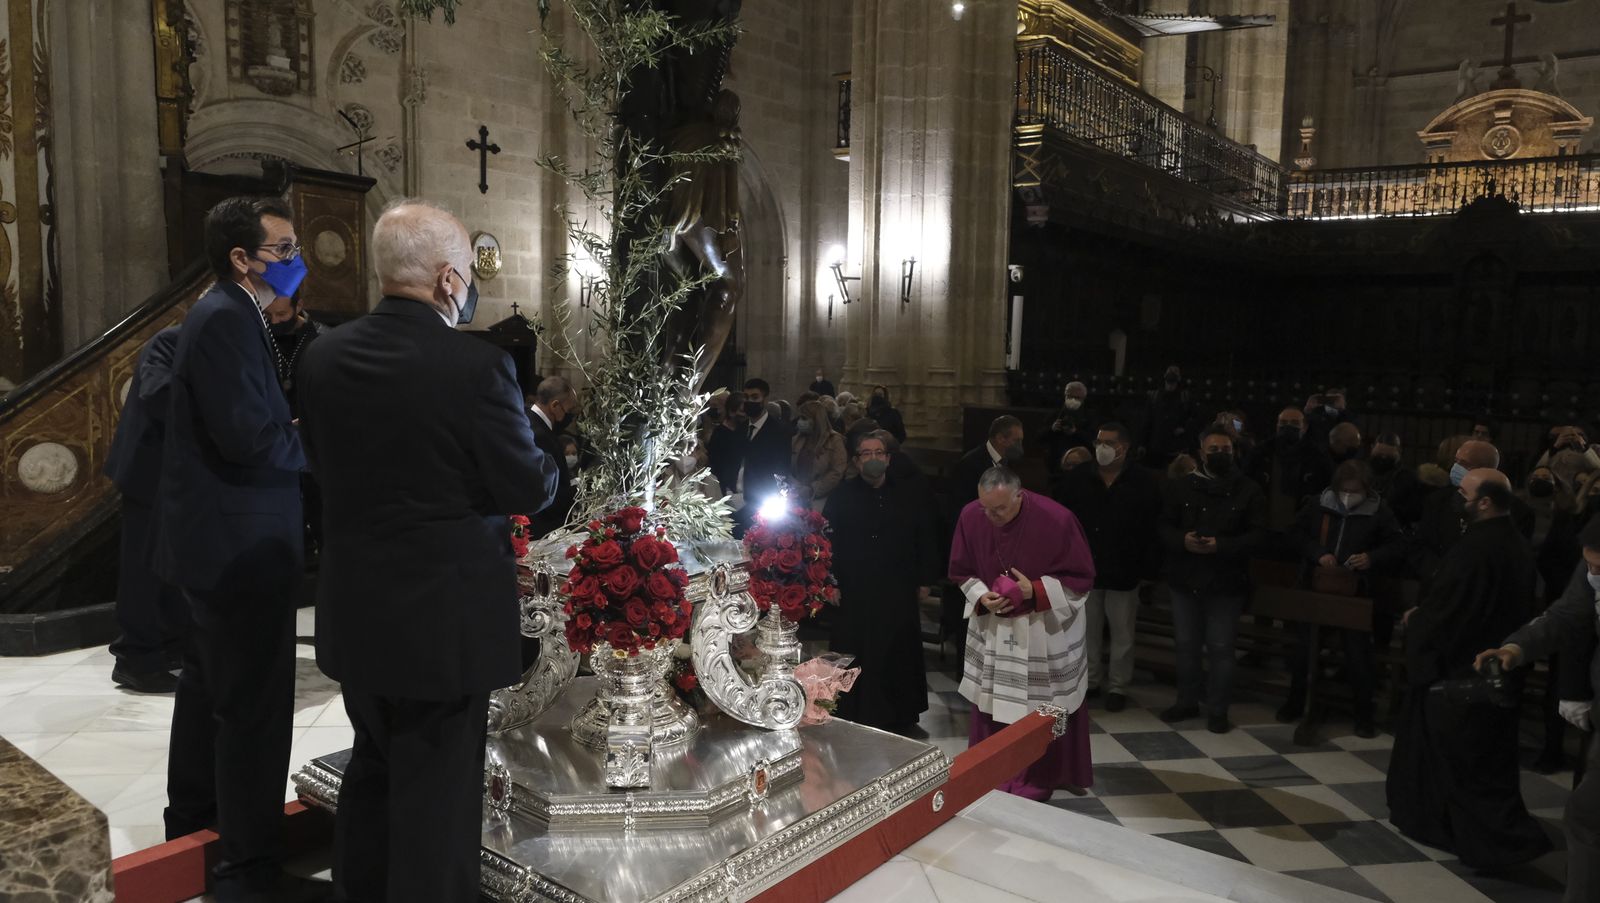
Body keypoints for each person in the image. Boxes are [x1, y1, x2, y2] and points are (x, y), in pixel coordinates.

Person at [297, 200, 560, 903]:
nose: (469, 284)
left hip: (357, 607)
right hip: (442, 623)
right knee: (438, 800)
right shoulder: (475, 367)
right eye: (469, 272)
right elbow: (522, 487)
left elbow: (320, 467)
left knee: (374, 769)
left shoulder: (321, 355)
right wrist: (545, 447)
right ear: (449, 279)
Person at [152, 197, 321, 902]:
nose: (293, 260)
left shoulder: (231, 313)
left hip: (219, 541)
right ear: (242, 259)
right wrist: (321, 440)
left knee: (208, 691)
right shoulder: (225, 317)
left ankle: (194, 821)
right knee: (252, 710)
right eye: (282, 249)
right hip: (240, 546)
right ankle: (248, 872)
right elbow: (250, 437)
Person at [1387, 468, 1549, 869]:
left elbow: (1453, 612)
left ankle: (1492, 844)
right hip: (1489, 669)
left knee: (1468, 765)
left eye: (1464, 493)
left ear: (1485, 502)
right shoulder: (1510, 541)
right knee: (1480, 761)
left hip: (1462, 672)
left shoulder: (1480, 548)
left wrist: (1418, 621)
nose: (1457, 500)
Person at [951, 466, 1096, 800]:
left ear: (1019, 495)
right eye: (985, 507)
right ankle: (993, 768)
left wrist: (1034, 590)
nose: (991, 516)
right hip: (994, 625)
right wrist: (979, 595)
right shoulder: (971, 515)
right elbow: (961, 571)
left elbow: (1080, 579)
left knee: (1043, 705)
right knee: (993, 704)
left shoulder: (1057, 520)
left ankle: (1045, 773)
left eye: (1000, 509)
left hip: (1042, 629)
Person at [1478, 518, 1600, 902]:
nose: (1593, 573)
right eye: (1590, 565)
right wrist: (1515, 649)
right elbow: (1567, 614)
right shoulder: (1592, 565)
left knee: (1587, 814)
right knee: (1586, 816)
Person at [1279, 460, 1406, 736]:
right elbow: (1295, 533)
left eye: (1355, 490)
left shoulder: (1379, 511)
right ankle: (1295, 703)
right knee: (1304, 651)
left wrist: (1370, 558)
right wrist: (1317, 553)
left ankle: (1363, 714)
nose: (1349, 495)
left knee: (1359, 657)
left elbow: (1397, 544)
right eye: (1344, 490)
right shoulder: (1319, 503)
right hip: (1317, 588)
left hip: (1355, 594)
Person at [826, 431, 940, 735]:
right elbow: (826, 543)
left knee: (897, 651)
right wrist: (830, 581)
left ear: (889, 459)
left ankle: (898, 713)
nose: (873, 458)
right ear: (855, 461)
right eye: (866, 453)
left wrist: (925, 579)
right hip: (854, 588)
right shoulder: (840, 496)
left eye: (879, 453)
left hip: (897, 587)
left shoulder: (909, 493)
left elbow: (924, 536)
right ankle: (850, 709)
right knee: (856, 649)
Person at [1158, 426, 1265, 733]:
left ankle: (1218, 709)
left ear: (1235, 452)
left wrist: (1222, 545)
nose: (1220, 454)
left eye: (1226, 449)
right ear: (1201, 453)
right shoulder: (1181, 487)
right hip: (1186, 578)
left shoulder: (1249, 489)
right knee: (1186, 645)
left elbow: (1259, 535)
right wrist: (1183, 540)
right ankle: (1187, 701)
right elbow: (1164, 526)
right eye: (1213, 449)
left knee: (1220, 647)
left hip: (1226, 581)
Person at [1051, 422, 1161, 712]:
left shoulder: (1143, 482)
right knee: (1088, 630)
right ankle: (1092, 680)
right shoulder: (1079, 478)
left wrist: (1147, 570)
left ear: (1123, 448)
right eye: (1099, 441)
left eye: (1108, 443)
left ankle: (1118, 685)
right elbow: (1063, 520)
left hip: (1125, 567)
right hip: (1087, 567)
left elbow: (1151, 528)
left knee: (1123, 631)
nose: (1101, 448)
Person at [104, 327, 186, 693]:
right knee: (143, 570)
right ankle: (134, 658)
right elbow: (157, 393)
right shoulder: (170, 340)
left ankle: (167, 646)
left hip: (175, 473)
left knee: (169, 566)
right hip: (148, 470)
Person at [1411, 439, 1533, 583]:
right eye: (1456, 461)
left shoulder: (1518, 512)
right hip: (1437, 586)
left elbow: (1512, 563)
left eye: (1464, 464)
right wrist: (1440, 573)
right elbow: (1420, 545)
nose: (1455, 467)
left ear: (1485, 469)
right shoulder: (1437, 500)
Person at [1250, 405, 1322, 533]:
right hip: (1264, 528)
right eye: (1283, 423)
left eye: (1294, 423)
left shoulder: (1316, 457)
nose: (1288, 426)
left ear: (1304, 427)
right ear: (1277, 425)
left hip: (1301, 531)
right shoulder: (1260, 453)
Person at [735, 377, 794, 529]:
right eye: (746, 397)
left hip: (763, 500)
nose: (749, 401)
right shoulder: (740, 429)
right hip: (737, 499)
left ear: (765, 399)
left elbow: (782, 468)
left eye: (755, 397)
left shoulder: (779, 431)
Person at [526, 375, 580, 539]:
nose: (569, 417)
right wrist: (579, 490)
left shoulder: (526, 419)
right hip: (543, 525)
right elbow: (546, 488)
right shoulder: (540, 434)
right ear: (555, 405)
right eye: (568, 411)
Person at [948, 414, 1023, 520]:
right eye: (1016, 441)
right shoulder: (969, 465)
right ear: (1000, 438)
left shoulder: (1011, 462)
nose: (1020, 447)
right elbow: (962, 509)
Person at [790, 399, 846, 509]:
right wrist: (795, 485)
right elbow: (787, 464)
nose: (799, 422)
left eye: (804, 418)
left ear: (816, 420)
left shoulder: (834, 440)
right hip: (796, 496)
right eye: (800, 418)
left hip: (821, 499)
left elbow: (837, 471)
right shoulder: (796, 439)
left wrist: (812, 489)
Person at [1143, 364, 1197, 468]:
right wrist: (1142, 444)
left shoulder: (1185, 397)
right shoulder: (1155, 397)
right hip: (1157, 446)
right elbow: (1147, 421)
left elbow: (1196, 418)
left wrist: (1184, 428)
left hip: (1176, 446)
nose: (1170, 385)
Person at [1366, 432, 1425, 526]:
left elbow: (1415, 512)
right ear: (1372, 448)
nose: (1383, 458)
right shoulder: (1362, 472)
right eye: (1379, 454)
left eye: (1388, 456)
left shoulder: (1407, 478)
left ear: (1399, 452)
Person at [1045, 381, 1096, 475]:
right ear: (1064, 396)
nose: (1072, 400)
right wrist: (1051, 429)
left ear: (1083, 399)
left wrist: (1076, 432)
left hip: (1081, 466)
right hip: (1056, 464)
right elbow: (1039, 438)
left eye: (1077, 398)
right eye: (1069, 396)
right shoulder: (1055, 414)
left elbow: (1093, 441)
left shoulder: (1090, 417)